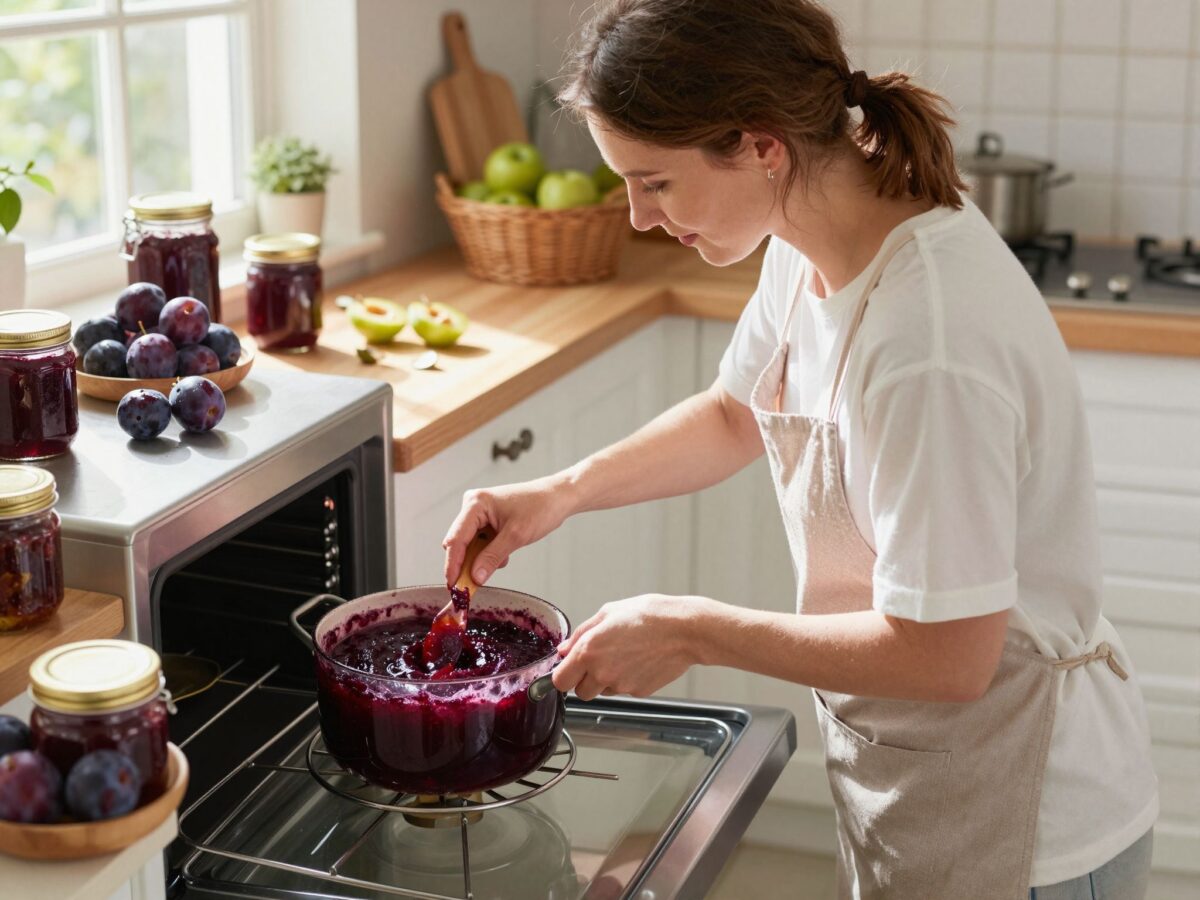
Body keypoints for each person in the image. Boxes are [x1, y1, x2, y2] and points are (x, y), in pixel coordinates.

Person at [441, 2, 1158, 897]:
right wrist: (561, 490)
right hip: (926, 780)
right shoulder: (810, 234)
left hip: (1034, 833)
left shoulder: (926, 343)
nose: (637, 216)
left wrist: (692, 629)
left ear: (759, 145)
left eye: (655, 182)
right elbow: (736, 415)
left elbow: (947, 655)